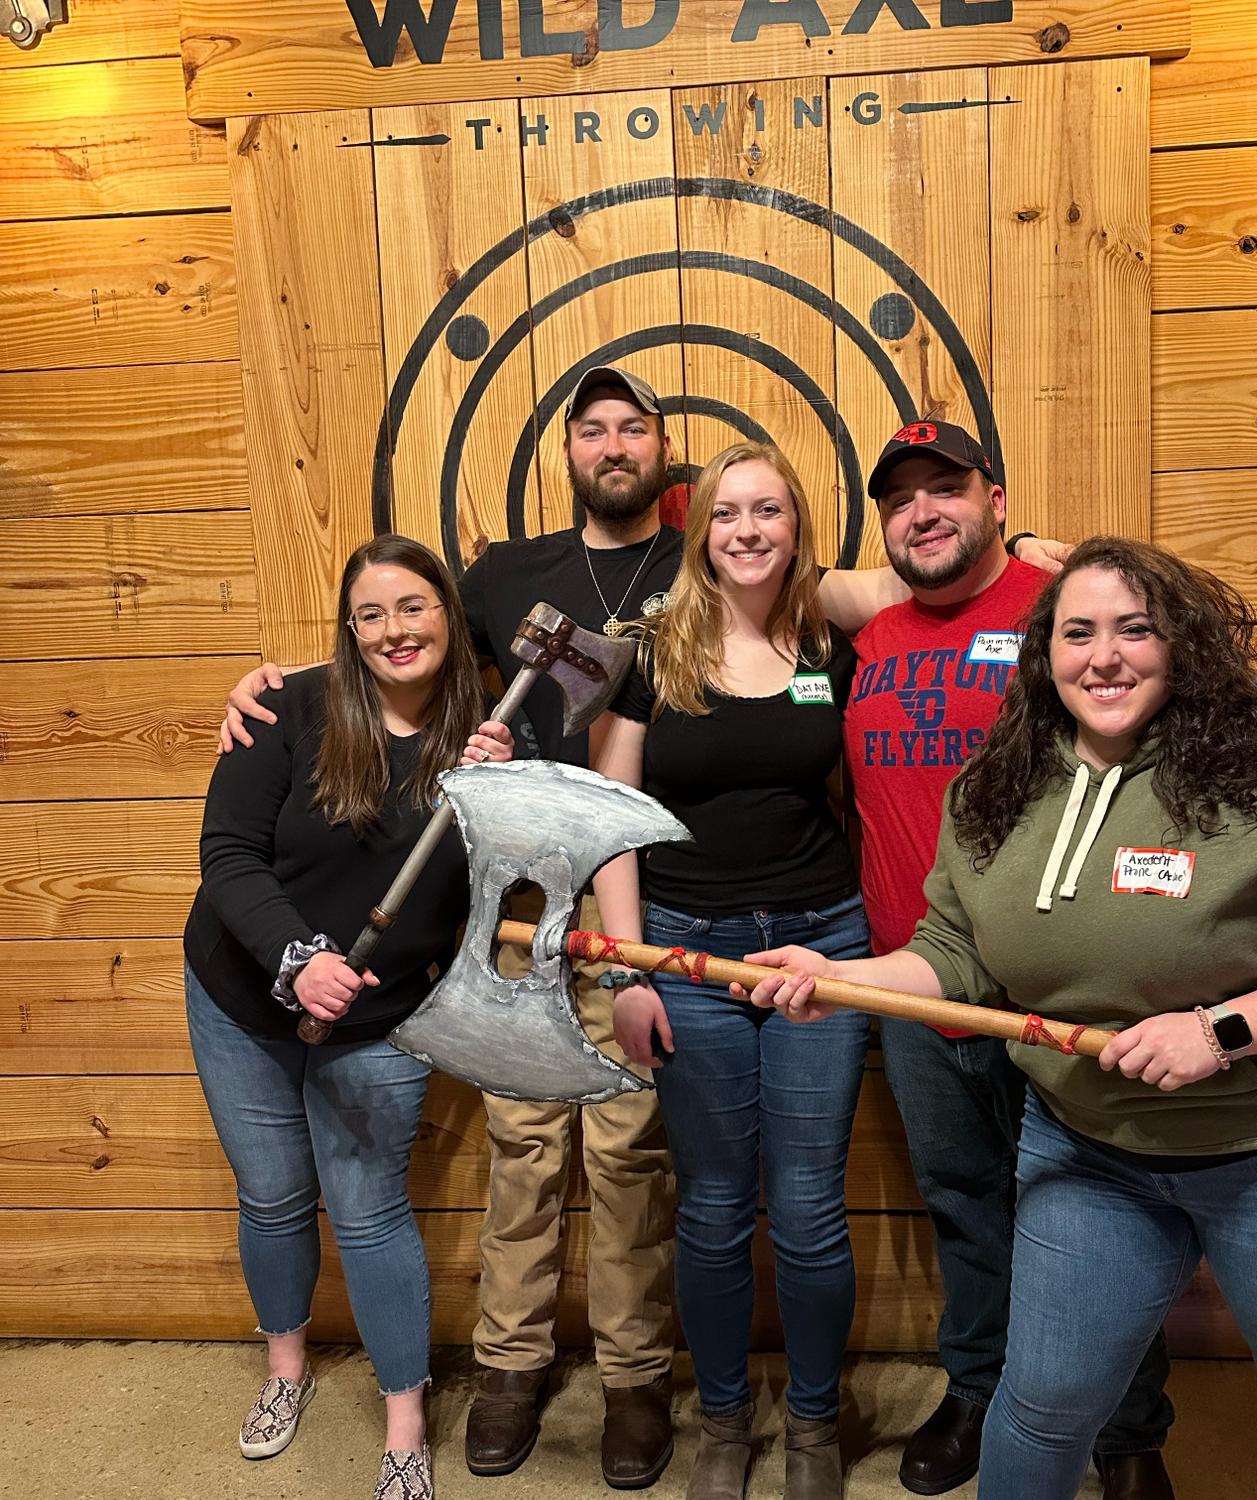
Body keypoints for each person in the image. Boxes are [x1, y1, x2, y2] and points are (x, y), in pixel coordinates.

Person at [220, 364, 1070, 1487]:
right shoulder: (536, 588)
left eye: (635, 429)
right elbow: (402, 646)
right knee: (551, 1159)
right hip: (568, 918)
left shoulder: (789, 602)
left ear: (668, 460)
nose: (615, 445)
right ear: (582, 458)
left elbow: (923, 569)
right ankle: (568, 1383)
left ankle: (713, 1403)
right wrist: (280, 680)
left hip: (769, 928)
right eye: (594, 430)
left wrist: (1049, 556)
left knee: (704, 1182)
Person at [749, 536, 1257, 1500]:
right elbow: (956, 952)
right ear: (1046, 654)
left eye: (1133, 629)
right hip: (1092, 1147)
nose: (1103, 656)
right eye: (1077, 633)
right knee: (1042, 1405)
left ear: (1182, 644)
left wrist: (1219, 1031)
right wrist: (843, 977)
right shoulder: (993, 788)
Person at [841, 424, 1173, 1499]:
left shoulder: (1057, 614)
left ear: (995, 495)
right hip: (915, 980)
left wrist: (1051, 551)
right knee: (964, 1201)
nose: (924, 512)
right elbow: (748, 568)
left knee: (1104, 1210)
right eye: (901, 500)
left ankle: (1128, 1433)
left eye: (948, 489)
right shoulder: (876, 630)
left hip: (1051, 980)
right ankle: (978, 1389)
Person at [185, 535, 505, 1500]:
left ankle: (404, 1423)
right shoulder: (291, 705)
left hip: (384, 1016)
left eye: (414, 607)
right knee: (275, 1193)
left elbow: (505, 885)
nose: (394, 630)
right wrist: (296, 958)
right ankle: (286, 1371)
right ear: (347, 627)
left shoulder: (491, 739)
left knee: (369, 1214)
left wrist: (507, 792)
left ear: (449, 615)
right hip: (246, 991)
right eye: (370, 614)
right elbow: (228, 854)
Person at [591, 442, 870, 1500]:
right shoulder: (649, 651)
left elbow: (926, 585)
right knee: (711, 1209)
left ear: (798, 526)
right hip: (688, 950)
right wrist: (627, 973)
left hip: (824, 944)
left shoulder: (830, 641)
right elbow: (609, 823)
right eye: (728, 513)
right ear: (700, 529)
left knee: (808, 1210)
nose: (749, 530)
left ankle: (810, 1423)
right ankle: (721, 1421)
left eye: (771, 511)